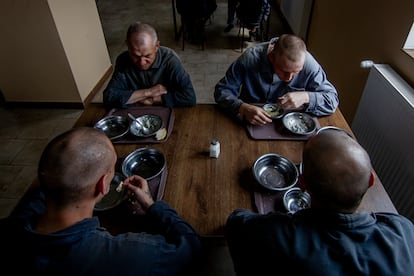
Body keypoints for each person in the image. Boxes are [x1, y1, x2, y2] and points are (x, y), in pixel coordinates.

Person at [0, 127, 202, 275]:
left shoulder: (15, 224)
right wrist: (151, 205)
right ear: (104, 185)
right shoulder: (135, 254)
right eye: (113, 168)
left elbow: (39, 195)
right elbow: (190, 245)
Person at [225, 128, 414, 275]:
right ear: (370, 181)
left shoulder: (275, 235)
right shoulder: (404, 230)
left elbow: (236, 222)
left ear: (302, 184)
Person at [214, 34, 339, 125]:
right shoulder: (250, 59)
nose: (289, 78)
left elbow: (332, 100)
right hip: (251, 119)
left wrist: (306, 96)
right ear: (271, 57)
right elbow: (222, 91)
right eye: (284, 71)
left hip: (291, 123)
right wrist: (242, 107)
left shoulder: (309, 65)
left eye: (296, 72)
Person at [103, 22, 196, 109]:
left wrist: (153, 100)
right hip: (136, 111)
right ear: (128, 45)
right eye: (135, 56)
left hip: (166, 109)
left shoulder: (170, 61)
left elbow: (189, 97)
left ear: (156, 46)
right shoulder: (123, 60)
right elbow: (109, 97)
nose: (142, 62)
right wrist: (148, 92)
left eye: (147, 56)